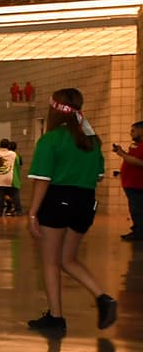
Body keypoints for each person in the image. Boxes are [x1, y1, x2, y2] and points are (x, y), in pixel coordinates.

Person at [26, 89, 118, 335]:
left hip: (57, 201)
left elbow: (42, 180)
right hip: (85, 203)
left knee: (50, 262)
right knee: (68, 259)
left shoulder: (51, 139)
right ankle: (103, 297)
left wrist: (32, 213)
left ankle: (56, 319)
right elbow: (98, 176)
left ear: (53, 110)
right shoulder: (91, 140)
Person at [110, 120, 143, 241]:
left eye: (133, 131)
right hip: (131, 184)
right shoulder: (136, 145)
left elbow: (138, 162)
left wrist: (122, 153)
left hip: (138, 185)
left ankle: (140, 232)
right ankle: (137, 229)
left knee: (138, 210)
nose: (131, 133)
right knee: (135, 209)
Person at [0, 140, 20, 217]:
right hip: (10, 177)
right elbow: (17, 165)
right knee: (15, 194)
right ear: (8, 146)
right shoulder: (13, 154)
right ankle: (18, 210)